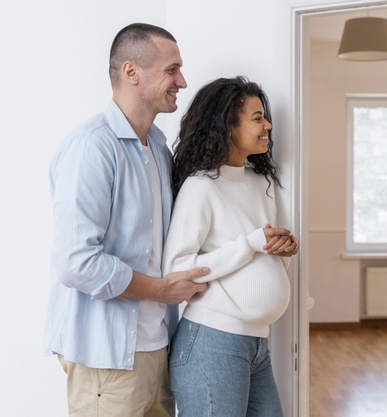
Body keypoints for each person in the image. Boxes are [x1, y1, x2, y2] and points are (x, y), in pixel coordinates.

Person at [44, 23, 210, 417]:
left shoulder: (157, 147)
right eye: (172, 70)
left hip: (157, 347)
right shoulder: (92, 149)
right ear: (131, 72)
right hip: (105, 357)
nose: (182, 81)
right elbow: (76, 263)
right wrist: (160, 290)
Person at [162, 76, 299, 417]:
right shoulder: (200, 186)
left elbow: (262, 261)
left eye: (265, 116)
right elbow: (178, 269)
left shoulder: (262, 183)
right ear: (227, 125)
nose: (268, 125)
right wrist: (252, 243)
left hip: (257, 344)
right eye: (257, 118)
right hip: (212, 341)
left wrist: (282, 252)